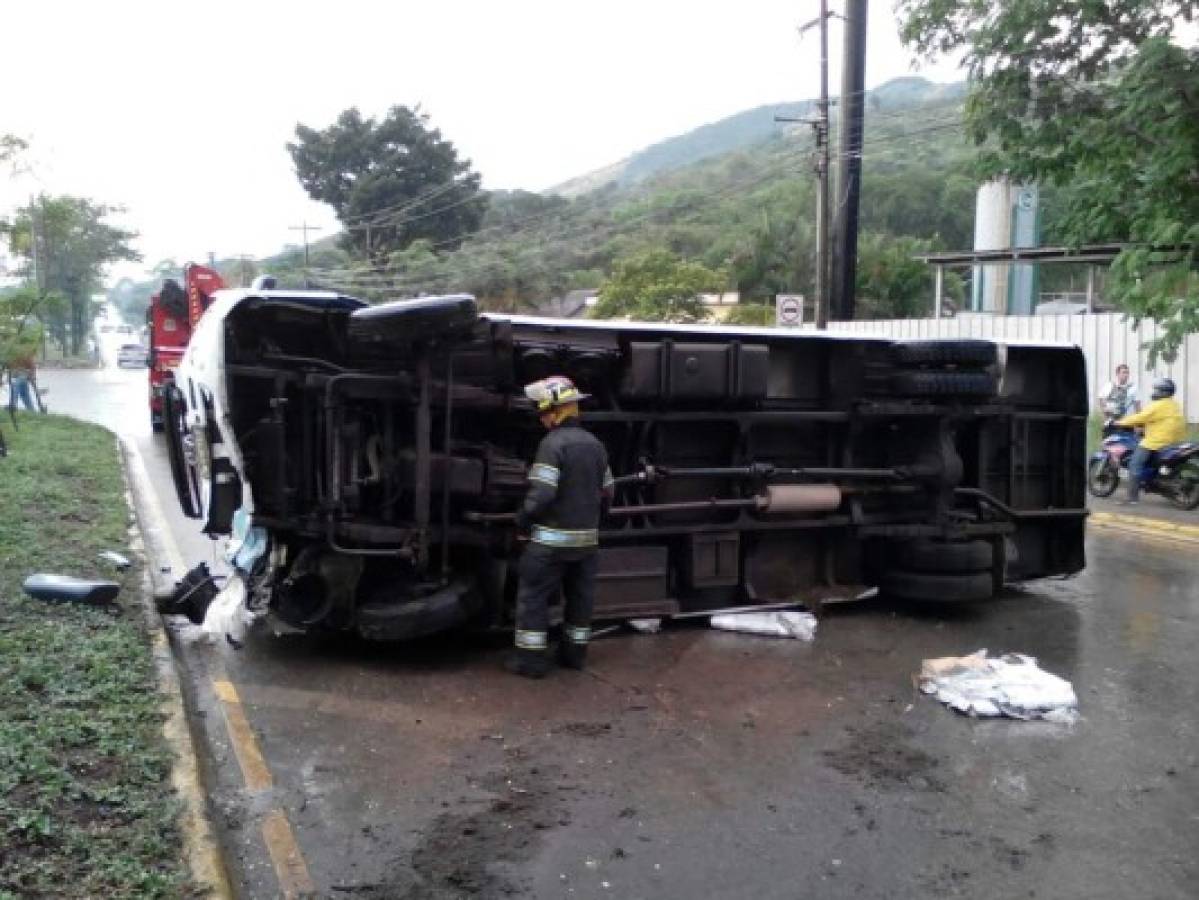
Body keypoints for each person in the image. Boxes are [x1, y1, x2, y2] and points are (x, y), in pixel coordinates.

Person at [508, 375, 614, 679]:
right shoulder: (596, 446)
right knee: (580, 602)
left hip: (550, 544)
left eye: (542, 412)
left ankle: (530, 663)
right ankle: (574, 657)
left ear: (555, 411)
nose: (541, 419)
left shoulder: (552, 444)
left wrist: (522, 520)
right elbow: (609, 492)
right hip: (587, 545)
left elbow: (542, 493)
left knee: (533, 598)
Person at [1116, 377, 1185, 504]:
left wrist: (1120, 422)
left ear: (1164, 392)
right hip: (1172, 442)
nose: (1154, 392)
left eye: (1157, 390)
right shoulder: (1174, 404)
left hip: (1155, 442)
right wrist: (1144, 428)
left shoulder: (1157, 405)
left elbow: (1141, 417)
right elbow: (1160, 421)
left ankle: (1131, 498)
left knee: (1134, 465)